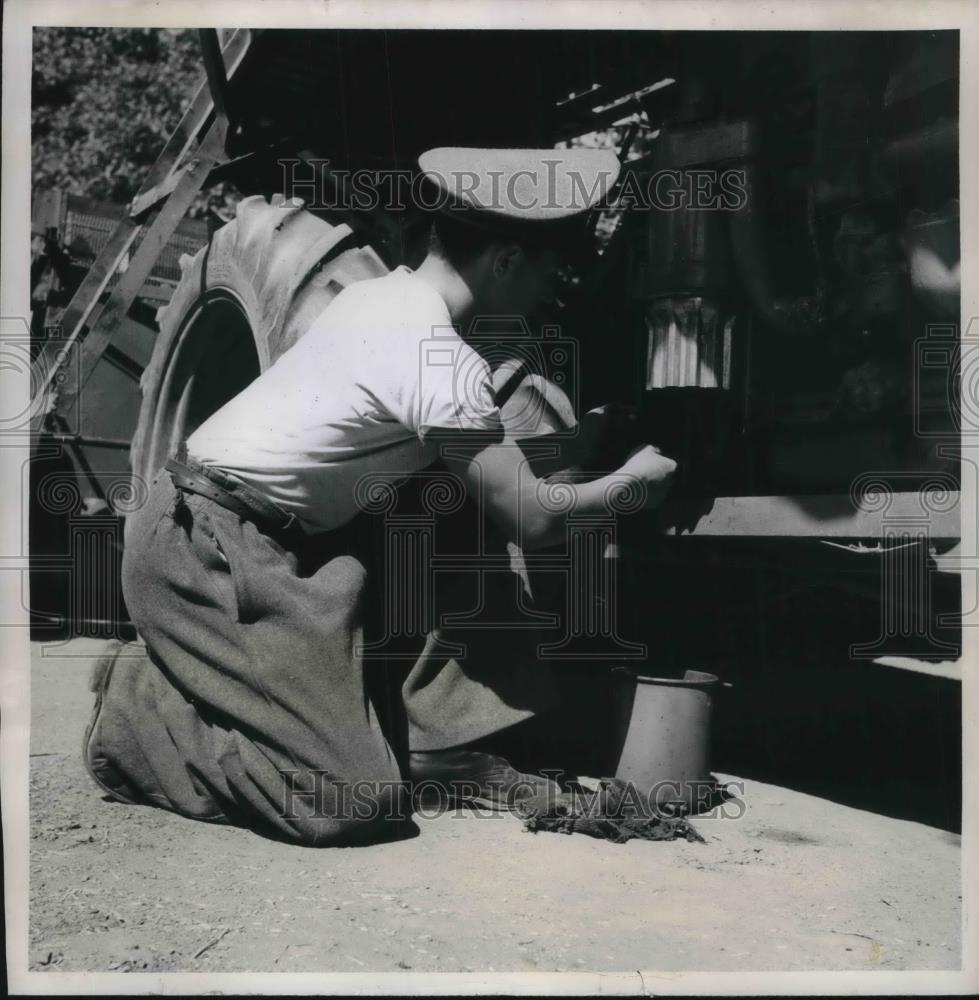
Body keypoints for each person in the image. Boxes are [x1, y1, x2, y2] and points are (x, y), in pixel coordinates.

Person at [83, 147, 677, 846]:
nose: (552, 290)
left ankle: (444, 738)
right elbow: (535, 517)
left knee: (448, 496)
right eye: (550, 270)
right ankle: (135, 712)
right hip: (204, 555)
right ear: (508, 260)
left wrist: (582, 446)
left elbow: (469, 460)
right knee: (346, 799)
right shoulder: (436, 354)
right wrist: (635, 484)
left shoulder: (381, 298)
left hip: (244, 534)